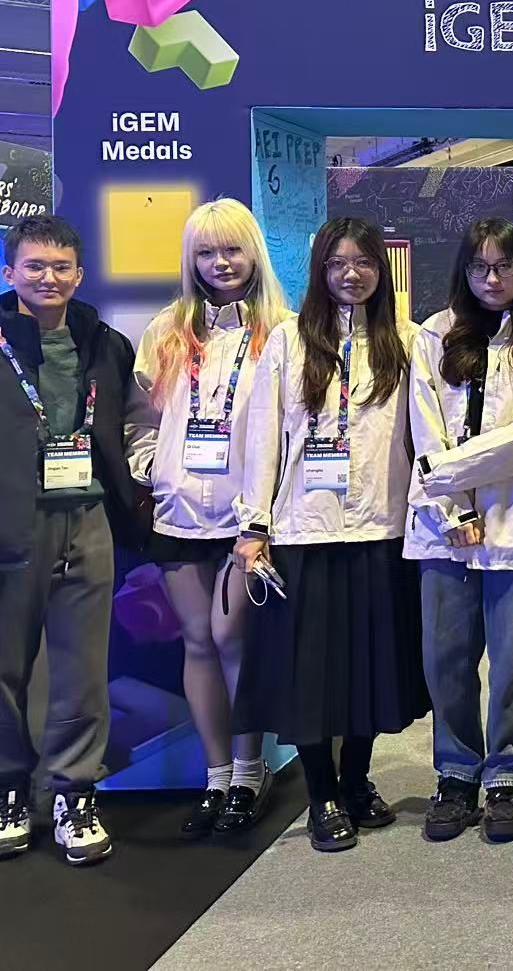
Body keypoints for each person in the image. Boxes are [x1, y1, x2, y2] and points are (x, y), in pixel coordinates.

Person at [230, 218, 430, 852]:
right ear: (320, 270)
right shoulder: (289, 341)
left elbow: (426, 436)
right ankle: (321, 794)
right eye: (338, 263)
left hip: (382, 529)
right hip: (303, 531)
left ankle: (356, 779)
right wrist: (254, 524)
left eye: (364, 261)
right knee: (309, 674)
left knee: (369, 668)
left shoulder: (408, 340)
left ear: (381, 270)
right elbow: (262, 437)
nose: (351, 273)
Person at [127, 198, 291, 838]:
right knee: (197, 641)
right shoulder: (167, 330)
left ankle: (250, 769)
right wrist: (156, 468)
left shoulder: (283, 330)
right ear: (190, 260)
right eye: (206, 252)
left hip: (248, 517)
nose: (220, 263)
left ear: (254, 254)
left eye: (232, 249)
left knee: (232, 639)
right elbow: (138, 418)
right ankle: (217, 775)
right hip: (179, 515)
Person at [408, 218, 513, 845]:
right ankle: (455, 774)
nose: (493, 278)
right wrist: (455, 508)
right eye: (480, 267)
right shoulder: (432, 336)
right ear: (464, 272)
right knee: (445, 660)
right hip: (442, 527)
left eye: (505, 266)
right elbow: (424, 430)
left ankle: (507, 775)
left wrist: (447, 471)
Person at [0, 216, 147, 864]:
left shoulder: (105, 344)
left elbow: (129, 425)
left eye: (61, 267)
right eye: (35, 266)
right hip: (11, 520)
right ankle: (9, 788)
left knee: (83, 669)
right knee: (6, 667)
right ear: (10, 272)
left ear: (79, 275)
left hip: (87, 520)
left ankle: (73, 792)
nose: (48, 277)